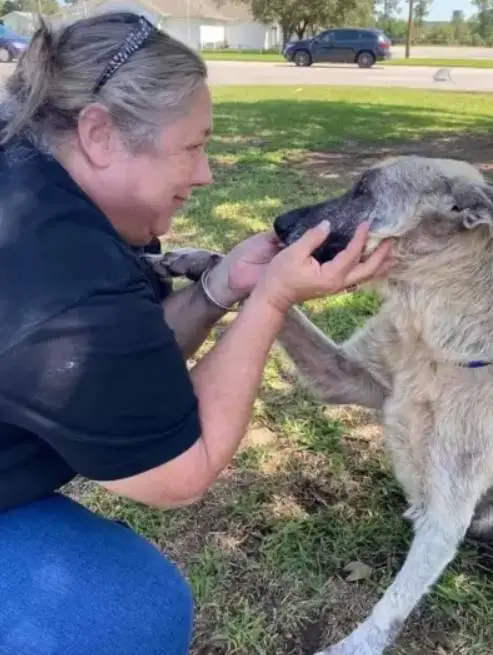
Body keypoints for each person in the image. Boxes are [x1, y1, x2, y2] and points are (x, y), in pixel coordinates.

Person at [0, 12, 393, 655]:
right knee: (129, 616)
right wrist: (271, 300)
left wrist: (220, 290)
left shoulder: (30, 177)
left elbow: (119, 366)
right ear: (99, 133)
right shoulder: (67, 283)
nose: (206, 174)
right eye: (193, 146)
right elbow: (181, 472)